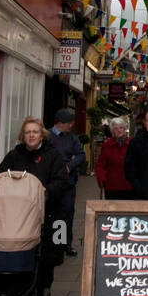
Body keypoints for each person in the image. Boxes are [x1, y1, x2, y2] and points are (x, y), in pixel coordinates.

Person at [0, 118, 71, 296]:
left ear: (42, 135)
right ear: (23, 135)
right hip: (17, 215)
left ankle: (41, 290)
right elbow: (0, 177)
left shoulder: (52, 155)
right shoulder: (14, 156)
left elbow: (62, 181)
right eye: (28, 132)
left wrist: (46, 191)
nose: (31, 135)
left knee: (46, 256)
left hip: (46, 213)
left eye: (35, 132)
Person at [49, 107, 86, 257]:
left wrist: (69, 166)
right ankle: (53, 242)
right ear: (61, 123)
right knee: (52, 212)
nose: (71, 125)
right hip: (51, 182)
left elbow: (81, 155)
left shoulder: (72, 137)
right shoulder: (48, 136)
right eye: (69, 123)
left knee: (67, 212)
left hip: (68, 182)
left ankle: (66, 244)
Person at [95, 117, 134, 199]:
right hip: (111, 187)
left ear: (125, 129)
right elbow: (100, 165)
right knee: (112, 211)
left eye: (121, 128)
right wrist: (101, 178)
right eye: (116, 128)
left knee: (127, 211)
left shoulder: (132, 144)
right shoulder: (106, 145)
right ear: (112, 131)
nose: (119, 130)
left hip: (129, 187)